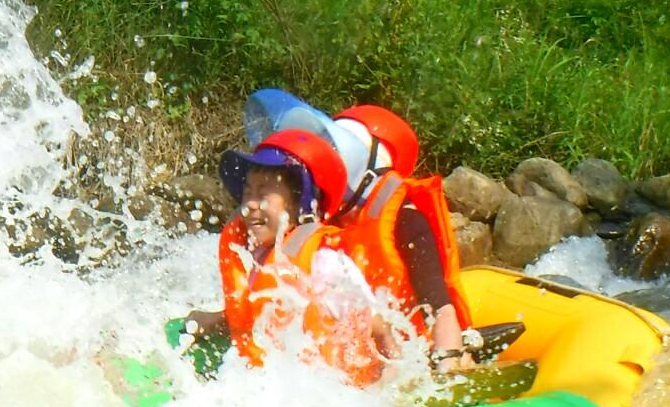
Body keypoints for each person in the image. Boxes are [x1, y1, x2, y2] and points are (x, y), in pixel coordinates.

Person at [184, 127, 388, 389]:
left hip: (332, 399)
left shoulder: (323, 263)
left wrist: (390, 395)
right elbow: (265, 317)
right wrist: (218, 319)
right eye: (248, 192)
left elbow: (381, 330)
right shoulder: (256, 255)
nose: (251, 204)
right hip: (270, 391)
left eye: (264, 193)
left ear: (295, 203)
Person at [325, 104, 473, 371]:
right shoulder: (325, 227)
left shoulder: (407, 224)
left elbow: (441, 309)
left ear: (370, 171)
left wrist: (447, 368)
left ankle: (461, 359)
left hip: (410, 355)